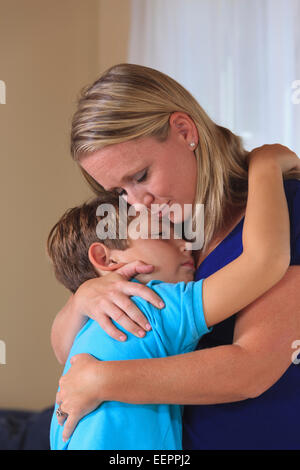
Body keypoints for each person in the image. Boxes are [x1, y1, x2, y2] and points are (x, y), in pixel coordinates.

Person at [51, 64, 300, 450]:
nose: (138, 202)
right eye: (119, 192)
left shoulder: (285, 210)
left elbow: (251, 370)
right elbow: (72, 351)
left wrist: (102, 380)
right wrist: (85, 295)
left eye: (141, 176)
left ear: (185, 131)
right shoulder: (156, 232)